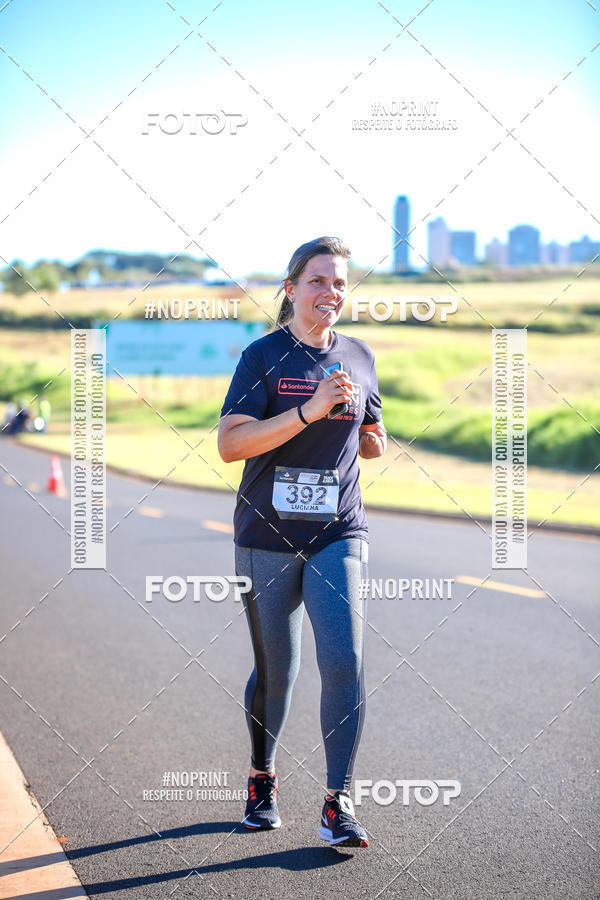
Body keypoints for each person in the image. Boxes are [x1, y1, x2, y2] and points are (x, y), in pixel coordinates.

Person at [217, 236, 386, 848]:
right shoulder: (262, 356)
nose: (331, 293)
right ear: (291, 288)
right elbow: (232, 444)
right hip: (265, 534)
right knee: (278, 670)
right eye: (318, 281)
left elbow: (370, 430)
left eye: (340, 282)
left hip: (339, 531)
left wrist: (369, 438)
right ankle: (262, 780)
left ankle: (337, 803)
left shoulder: (361, 356)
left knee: (345, 662)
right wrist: (310, 412)